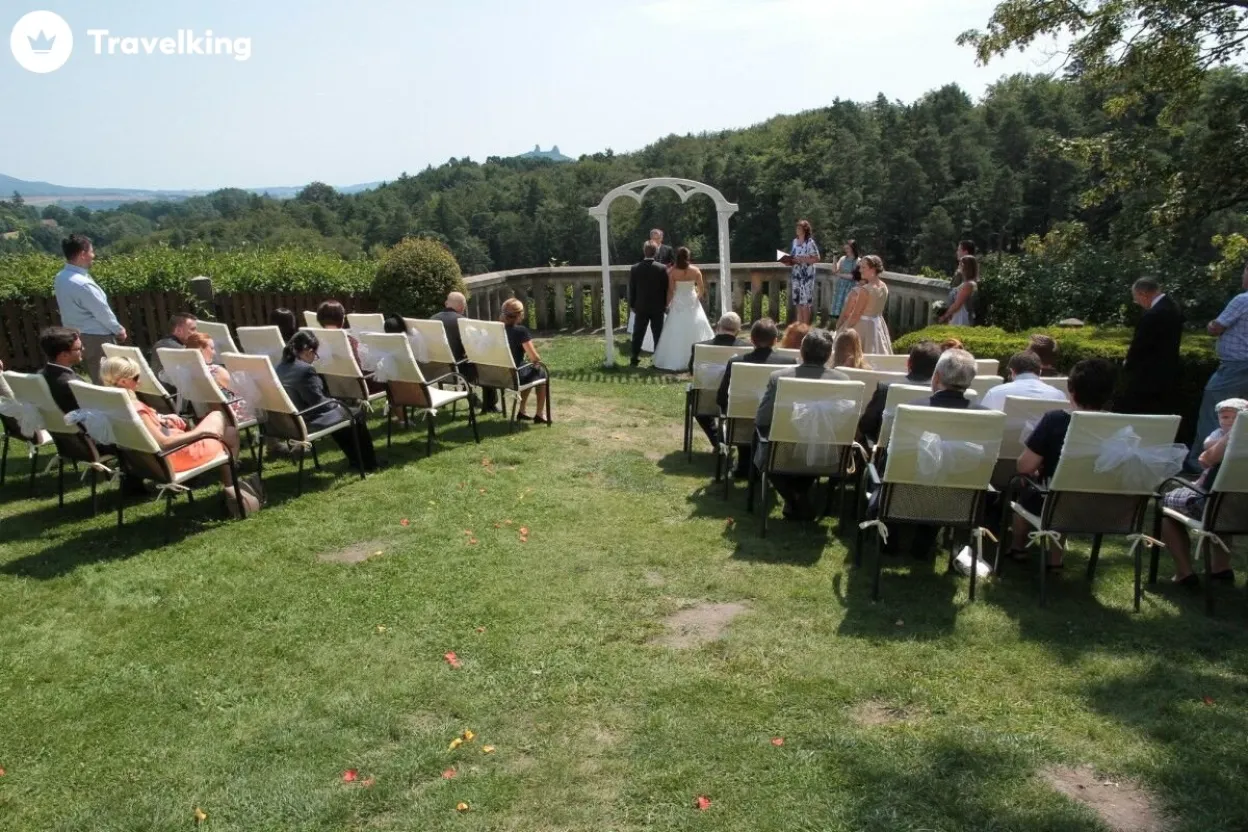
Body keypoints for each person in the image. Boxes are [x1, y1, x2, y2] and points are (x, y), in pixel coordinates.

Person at [1007, 358, 1119, 568]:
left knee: (1028, 488)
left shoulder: (1056, 420)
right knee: (1064, 488)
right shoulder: (1119, 426)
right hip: (1104, 506)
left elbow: (1024, 466)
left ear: (1071, 390)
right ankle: (1055, 560)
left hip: (1055, 503)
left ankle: (1018, 547)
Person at [100, 355, 239, 490]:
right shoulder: (137, 410)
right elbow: (164, 443)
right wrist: (200, 432)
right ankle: (232, 488)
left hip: (154, 462)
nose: (140, 381)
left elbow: (148, 432)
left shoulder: (115, 405)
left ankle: (231, 487)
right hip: (176, 457)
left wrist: (160, 419)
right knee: (220, 419)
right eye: (136, 377)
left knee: (228, 431)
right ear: (123, 382)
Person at [38, 327, 147, 495]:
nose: (83, 349)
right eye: (78, 348)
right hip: (92, 441)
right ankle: (137, 485)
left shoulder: (44, 375)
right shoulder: (68, 384)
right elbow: (102, 409)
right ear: (63, 355)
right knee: (139, 431)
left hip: (70, 442)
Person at [754, 329, 848, 519]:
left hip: (782, 451)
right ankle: (799, 495)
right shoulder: (842, 380)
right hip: (825, 452)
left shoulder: (779, 377)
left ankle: (795, 497)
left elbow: (762, 419)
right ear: (829, 355)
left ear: (802, 352)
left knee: (767, 449)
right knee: (808, 446)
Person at [1160, 398, 1248, 585]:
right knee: (1226, 502)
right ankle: (1220, 568)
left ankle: (1184, 573)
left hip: (1216, 507)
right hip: (1242, 510)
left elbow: (1206, 459)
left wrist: (1233, 433)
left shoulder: (1232, 437)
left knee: (1167, 500)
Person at [276, 331, 380, 471]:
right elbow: (319, 404)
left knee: (340, 415)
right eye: (315, 355)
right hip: (307, 419)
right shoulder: (305, 370)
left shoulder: (279, 368)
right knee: (355, 414)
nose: (315, 358)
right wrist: (336, 403)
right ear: (308, 351)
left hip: (289, 422)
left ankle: (356, 460)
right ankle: (369, 463)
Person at [715, 318, 794, 479]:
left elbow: (721, 397)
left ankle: (745, 465)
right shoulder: (789, 364)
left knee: (743, 416)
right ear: (775, 340)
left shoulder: (736, 362)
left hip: (740, 425)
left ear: (751, 340)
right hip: (774, 425)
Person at [1187, 262, 1248, 472]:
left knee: (1217, 413)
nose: (1243, 275)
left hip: (1234, 367)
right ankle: (1236, 466)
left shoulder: (1242, 300)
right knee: (1243, 417)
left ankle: (1202, 464)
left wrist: (1211, 324)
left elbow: (1216, 327)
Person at [53, 234, 126, 383]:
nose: (93, 255)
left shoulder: (61, 277)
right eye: (91, 251)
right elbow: (102, 312)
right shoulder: (83, 284)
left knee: (97, 378)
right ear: (82, 254)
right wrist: (118, 330)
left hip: (76, 336)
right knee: (109, 381)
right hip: (96, 338)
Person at [1117, 277, 1183, 416]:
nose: (1137, 302)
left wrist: (1128, 364)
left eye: (1136, 298)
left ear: (1143, 294)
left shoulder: (1154, 314)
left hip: (1148, 375)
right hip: (1167, 370)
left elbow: (1140, 345)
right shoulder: (1172, 306)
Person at [856, 340, 941, 444]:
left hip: (888, 451)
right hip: (931, 452)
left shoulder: (886, 389)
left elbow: (866, 425)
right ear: (937, 369)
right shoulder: (941, 394)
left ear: (908, 363)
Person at [652, 247, 715, 372]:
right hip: (692, 301)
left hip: (678, 301)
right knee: (696, 325)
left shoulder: (672, 272)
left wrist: (667, 304)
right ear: (688, 257)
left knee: (676, 328)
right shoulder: (695, 270)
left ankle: (674, 358)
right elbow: (701, 289)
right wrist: (696, 298)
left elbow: (671, 291)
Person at [316, 300, 384, 395]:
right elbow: (361, 365)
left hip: (333, 389)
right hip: (358, 388)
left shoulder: (318, 341)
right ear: (342, 319)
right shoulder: (349, 342)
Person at [500, 298, 550, 423]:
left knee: (527, 371)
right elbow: (535, 358)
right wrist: (535, 360)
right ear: (520, 314)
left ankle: (522, 411)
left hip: (495, 376)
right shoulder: (520, 331)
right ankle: (539, 414)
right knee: (540, 371)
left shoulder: (496, 329)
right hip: (513, 377)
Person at [183, 332, 248, 423]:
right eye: (212, 348)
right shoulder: (216, 371)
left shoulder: (190, 372)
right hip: (235, 413)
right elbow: (239, 390)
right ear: (200, 350)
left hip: (217, 414)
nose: (214, 352)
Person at [837, 254, 892, 354]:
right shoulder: (884, 286)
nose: (860, 270)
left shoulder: (865, 290)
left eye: (863, 267)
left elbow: (856, 315)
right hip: (878, 325)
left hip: (863, 327)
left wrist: (845, 330)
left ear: (873, 269)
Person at [980, 351, 1069, 411]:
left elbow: (984, 424)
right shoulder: (1058, 395)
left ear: (1012, 371)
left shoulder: (995, 393)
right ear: (1040, 371)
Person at [629, 242, 669, 367]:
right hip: (657, 306)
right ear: (656, 252)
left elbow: (632, 289)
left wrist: (632, 305)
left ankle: (634, 357)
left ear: (644, 251)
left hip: (641, 305)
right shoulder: (662, 268)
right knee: (658, 334)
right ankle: (657, 359)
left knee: (638, 333)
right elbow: (665, 288)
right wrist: (665, 304)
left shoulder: (635, 268)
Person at [786, 220, 820, 325]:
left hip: (807, 275)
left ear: (805, 230)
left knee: (805, 303)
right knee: (798, 302)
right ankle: (799, 327)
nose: (797, 230)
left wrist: (802, 259)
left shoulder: (810, 242)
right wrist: (788, 261)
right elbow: (793, 256)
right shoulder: (794, 242)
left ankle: (805, 327)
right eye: (797, 227)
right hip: (796, 274)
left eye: (799, 228)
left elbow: (817, 258)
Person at [150, 312, 198, 382]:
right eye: (193, 329)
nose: (196, 333)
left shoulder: (159, 344)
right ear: (178, 331)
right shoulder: (181, 350)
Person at [939, 255, 978, 325]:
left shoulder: (969, 285)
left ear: (966, 267)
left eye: (960, 264)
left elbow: (957, 305)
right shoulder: (966, 283)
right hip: (957, 317)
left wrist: (944, 316)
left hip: (962, 319)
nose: (958, 266)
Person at [830, 240, 859, 323]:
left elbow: (853, 276)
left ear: (853, 248)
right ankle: (838, 325)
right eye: (845, 248)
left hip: (850, 287)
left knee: (847, 308)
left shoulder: (857, 261)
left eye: (848, 248)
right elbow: (834, 270)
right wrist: (834, 258)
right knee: (838, 310)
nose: (846, 250)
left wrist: (840, 275)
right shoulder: (843, 258)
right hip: (841, 286)